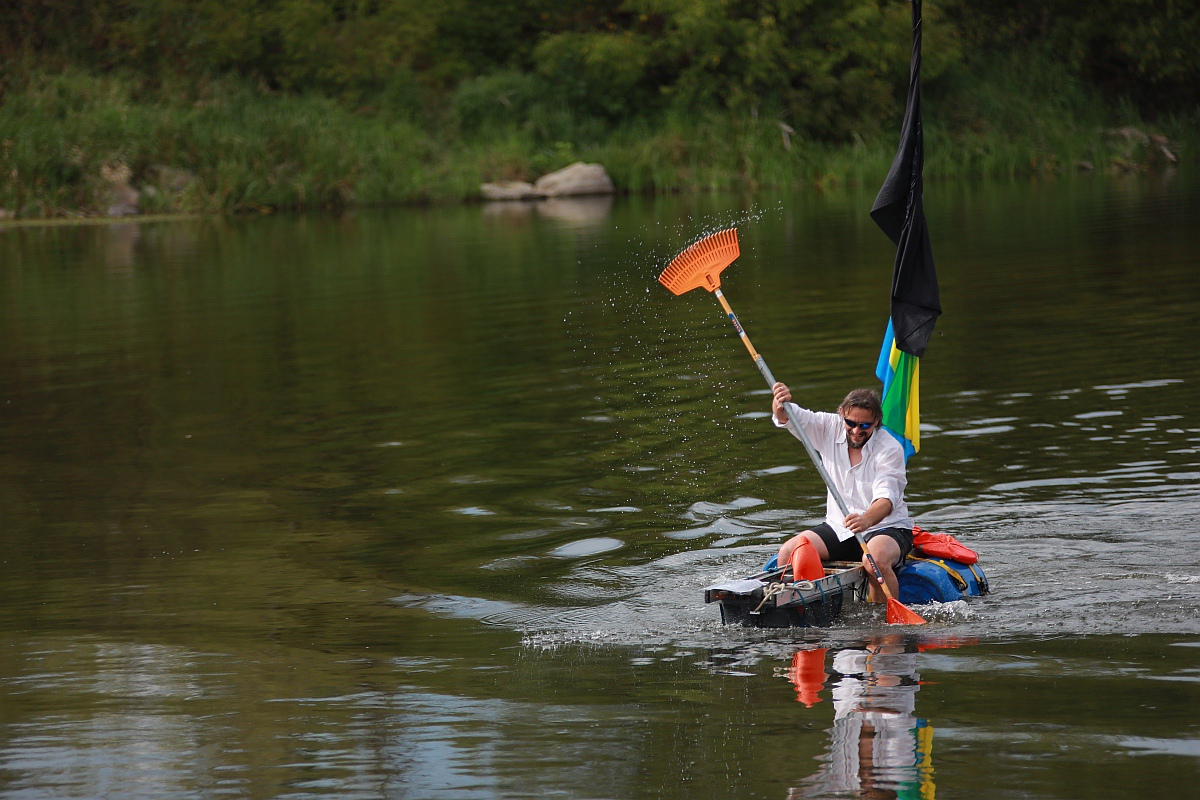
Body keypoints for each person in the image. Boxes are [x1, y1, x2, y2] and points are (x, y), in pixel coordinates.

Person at [771, 383, 913, 603]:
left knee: (874, 562)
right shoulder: (827, 427)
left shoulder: (890, 449)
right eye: (851, 423)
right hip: (840, 528)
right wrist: (779, 403)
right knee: (788, 552)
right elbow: (786, 416)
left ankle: (881, 618)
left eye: (864, 425)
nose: (856, 431)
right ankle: (802, 610)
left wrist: (866, 520)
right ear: (841, 414)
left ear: (876, 421)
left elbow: (886, 500)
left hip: (885, 527)